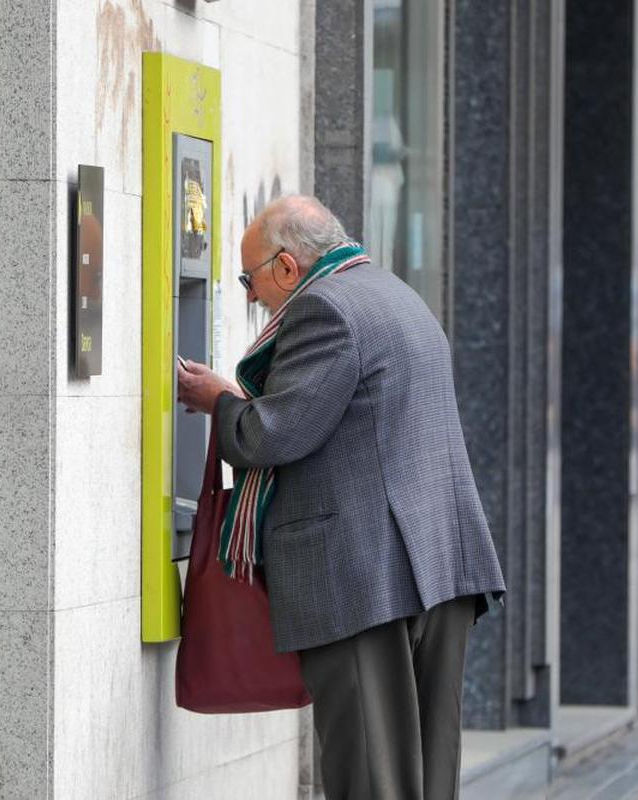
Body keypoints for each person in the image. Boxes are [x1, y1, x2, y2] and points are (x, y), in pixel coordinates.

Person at [176, 195, 506, 799]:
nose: (251, 298)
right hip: (436, 566)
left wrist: (221, 401)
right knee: (427, 781)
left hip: (364, 576)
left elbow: (272, 435)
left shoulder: (323, 309)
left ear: (285, 267)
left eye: (250, 280)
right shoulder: (393, 293)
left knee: (372, 778)